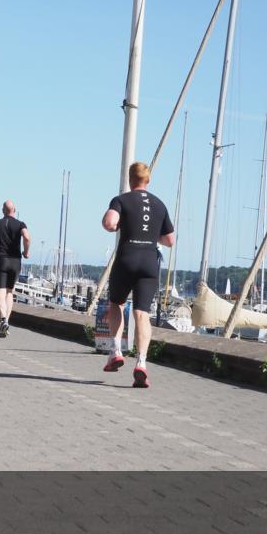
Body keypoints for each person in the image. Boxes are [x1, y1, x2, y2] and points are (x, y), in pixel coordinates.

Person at [100, 162, 174, 388]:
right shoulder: (160, 204)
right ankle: (141, 362)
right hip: (149, 263)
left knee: (117, 304)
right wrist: (153, 237)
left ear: (130, 180)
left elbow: (109, 223)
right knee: (142, 313)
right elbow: (170, 240)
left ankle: (116, 352)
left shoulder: (121, 200)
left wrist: (117, 225)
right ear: (148, 180)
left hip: (127, 258)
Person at [0, 200, 30, 337]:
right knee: (10, 292)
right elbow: (27, 237)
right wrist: (26, 252)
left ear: (3, 210)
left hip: (1, 261)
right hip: (15, 261)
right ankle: (6, 322)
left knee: (0, 294)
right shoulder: (21, 224)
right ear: (14, 210)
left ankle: (3, 320)